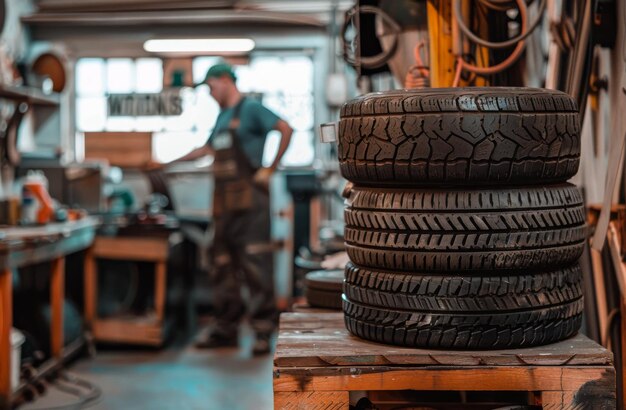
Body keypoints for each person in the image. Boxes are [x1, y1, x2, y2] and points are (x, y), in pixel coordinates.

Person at [161, 62, 293, 355]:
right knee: (221, 265)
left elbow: (285, 128)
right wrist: (167, 163)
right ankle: (226, 328)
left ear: (224, 81)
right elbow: (206, 150)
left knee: (256, 265)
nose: (210, 93)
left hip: (252, 206)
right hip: (223, 207)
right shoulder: (222, 118)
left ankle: (261, 331)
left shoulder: (252, 109)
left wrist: (270, 168)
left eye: (211, 87)